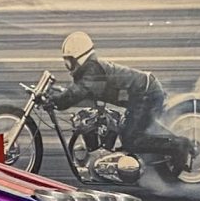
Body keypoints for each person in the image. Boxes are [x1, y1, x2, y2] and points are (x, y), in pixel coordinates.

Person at [53, 30, 183, 182]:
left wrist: (58, 101)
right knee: (123, 129)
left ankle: (179, 146)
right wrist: (56, 94)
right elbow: (79, 91)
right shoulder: (90, 69)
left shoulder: (93, 70)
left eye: (69, 61)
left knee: (132, 139)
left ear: (78, 57)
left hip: (146, 94)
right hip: (140, 94)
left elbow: (81, 90)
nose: (67, 65)